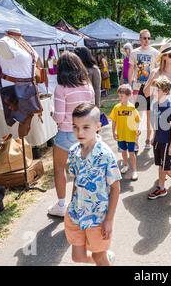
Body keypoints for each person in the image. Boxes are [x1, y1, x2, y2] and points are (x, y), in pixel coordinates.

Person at [65, 103, 121, 266]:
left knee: (99, 257)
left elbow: (116, 188)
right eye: (75, 127)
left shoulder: (105, 155)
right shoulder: (74, 151)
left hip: (98, 218)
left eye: (85, 127)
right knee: (78, 257)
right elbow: (76, 181)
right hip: (76, 214)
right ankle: (106, 259)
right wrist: (71, 204)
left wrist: (109, 220)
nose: (79, 132)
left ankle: (104, 260)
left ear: (98, 126)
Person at [48, 52, 95, 218]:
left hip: (67, 132)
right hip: (85, 134)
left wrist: (52, 113)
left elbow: (59, 117)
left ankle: (61, 205)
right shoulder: (88, 86)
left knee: (60, 169)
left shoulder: (61, 89)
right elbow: (92, 110)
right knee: (80, 170)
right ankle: (77, 204)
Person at [144, 43, 171, 176]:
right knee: (161, 145)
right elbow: (146, 94)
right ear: (163, 57)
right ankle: (164, 176)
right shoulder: (155, 73)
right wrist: (152, 79)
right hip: (158, 115)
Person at [129, 29, 160, 150]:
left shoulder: (155, 53)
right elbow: (131, 69)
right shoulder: (134, 53)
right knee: (136, 116)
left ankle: (148, 140)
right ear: (140, 39)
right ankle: (135, 141)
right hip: (137, 87)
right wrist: (130, 83)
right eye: (144, 38)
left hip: (151, 87)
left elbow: (158, 71)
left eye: (148, 38)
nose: (146, 40)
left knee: (149, 115)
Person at [109, 84, 140, 181]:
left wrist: (137, 130)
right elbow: (113, 121)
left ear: (128, 96)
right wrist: (113, 132)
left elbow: (137, 120)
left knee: (131, 152)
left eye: (121, 96)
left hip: (131, 135)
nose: (119, 98)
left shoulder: (132, 108)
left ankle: (134, 170)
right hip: (121, 134)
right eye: (119, 96)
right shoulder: (116, 108)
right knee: (123, 151)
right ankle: (125, 165)